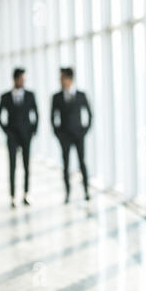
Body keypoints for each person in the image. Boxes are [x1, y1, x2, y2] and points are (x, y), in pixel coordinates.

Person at [0, 68, 39, 208]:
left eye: (24, 79)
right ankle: (13, 196)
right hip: (12, 136)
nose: (23, 82)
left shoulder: (30, 95)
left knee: (27, 166)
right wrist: (6, 131)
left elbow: (36, 114)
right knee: (12, 166)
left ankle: (26, 194)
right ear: (15, 79)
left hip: (26, 136)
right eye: (21, 79)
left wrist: (33, 131)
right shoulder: (5, 96)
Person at [51, 68, 92, 204]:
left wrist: (84, 131)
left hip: (79, 135)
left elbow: (90, 115)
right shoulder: (56, 97)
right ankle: (67, 193)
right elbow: (52, 118)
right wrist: (58, 134)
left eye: (62, 78)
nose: (61, 81)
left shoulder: (81, 95)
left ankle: (86, 191)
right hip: (65, 137)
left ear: (69, 79)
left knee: (82, 162)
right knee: (66, 165)